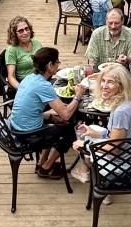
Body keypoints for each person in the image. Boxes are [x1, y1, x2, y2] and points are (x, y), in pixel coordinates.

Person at [9, 47, 88, 178]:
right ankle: (47, 166)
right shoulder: (44, 86)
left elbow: (30, 110)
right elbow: (66, 114)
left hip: (16, 126)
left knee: (57, 121)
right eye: (57, 62)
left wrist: (51, 117)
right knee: (71, 130)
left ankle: (41, 162)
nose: (59, 64)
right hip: (28, 135)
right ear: (50, 65)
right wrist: (78, 95)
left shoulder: (30, 78)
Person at [69, 64, 131, 195]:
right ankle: (90, 171)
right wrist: (97, 133)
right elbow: (121, 136)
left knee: (83, 142)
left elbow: (113, 149)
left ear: (121, 86)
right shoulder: (130, 101)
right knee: (91, 129)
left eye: (110, 82)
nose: (104, 86)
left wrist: (85, 146)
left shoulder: (121, 111)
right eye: (103, 81)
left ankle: (104, 187)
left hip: (125, 165)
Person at [3, 16, 44, 93]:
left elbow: (45, 62)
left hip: (41, 79)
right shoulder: (11, 50)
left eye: (26, 29)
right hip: (27, 85)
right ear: (14, 34)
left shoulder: (37, 43)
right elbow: (11, 77)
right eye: (21, 31)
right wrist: (21, 89)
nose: (25, 32)